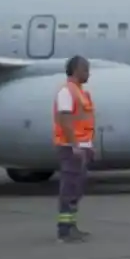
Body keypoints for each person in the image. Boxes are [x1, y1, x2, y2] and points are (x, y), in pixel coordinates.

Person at [54, 55, 95, 243]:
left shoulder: (80, 92)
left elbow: (83, 123)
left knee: (76, 190)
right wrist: (74, 145)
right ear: (76, 70)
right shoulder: (67, 91)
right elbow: (65, 120)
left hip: (81, 147)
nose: (88, 73)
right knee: (69, 189)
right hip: (71, 148)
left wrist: (88, 146)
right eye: (85, 69)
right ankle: (64, 231)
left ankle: (72, 226)